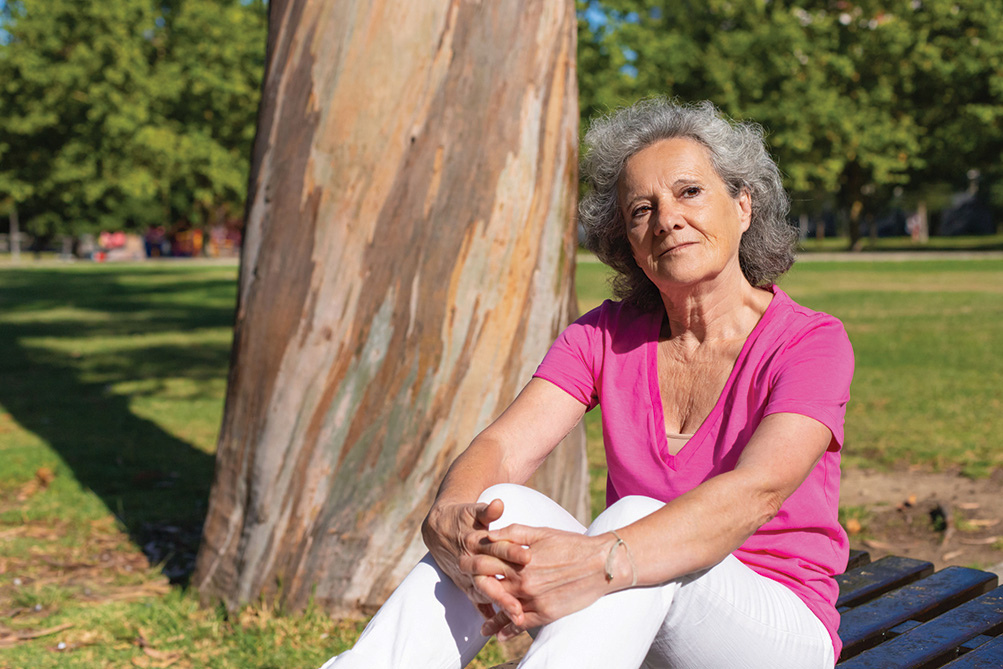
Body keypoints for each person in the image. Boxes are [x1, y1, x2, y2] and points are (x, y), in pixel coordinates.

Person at [320, 99, 853, 669]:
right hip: (630, 615)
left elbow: (758, 491)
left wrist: (601, 558)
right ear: (628, 242)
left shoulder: (809, 341)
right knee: (499, 509)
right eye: (641, 210)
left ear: (743, 205)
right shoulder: (604, 336)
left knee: (633, 520)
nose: (667, 218)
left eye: (690, 192)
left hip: (773, 632)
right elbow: (503, 448)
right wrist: (451, 515)